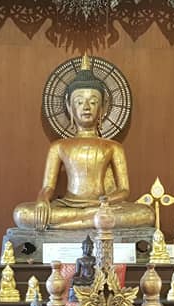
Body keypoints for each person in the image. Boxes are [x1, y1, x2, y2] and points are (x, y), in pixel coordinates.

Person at [12, 55, 154, 231]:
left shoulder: (113, 147)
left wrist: (104, 202)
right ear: (70, 107)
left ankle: (69, 225)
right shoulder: (59, 146)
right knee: (22, 213)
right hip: (69, 205)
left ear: (102, 108)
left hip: (102, 206)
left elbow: (124, 190)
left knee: (146, 213)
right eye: (79, 102)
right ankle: (93, 222)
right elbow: (48, 186)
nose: (86, 107)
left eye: (93, 102)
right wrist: (42, 200)